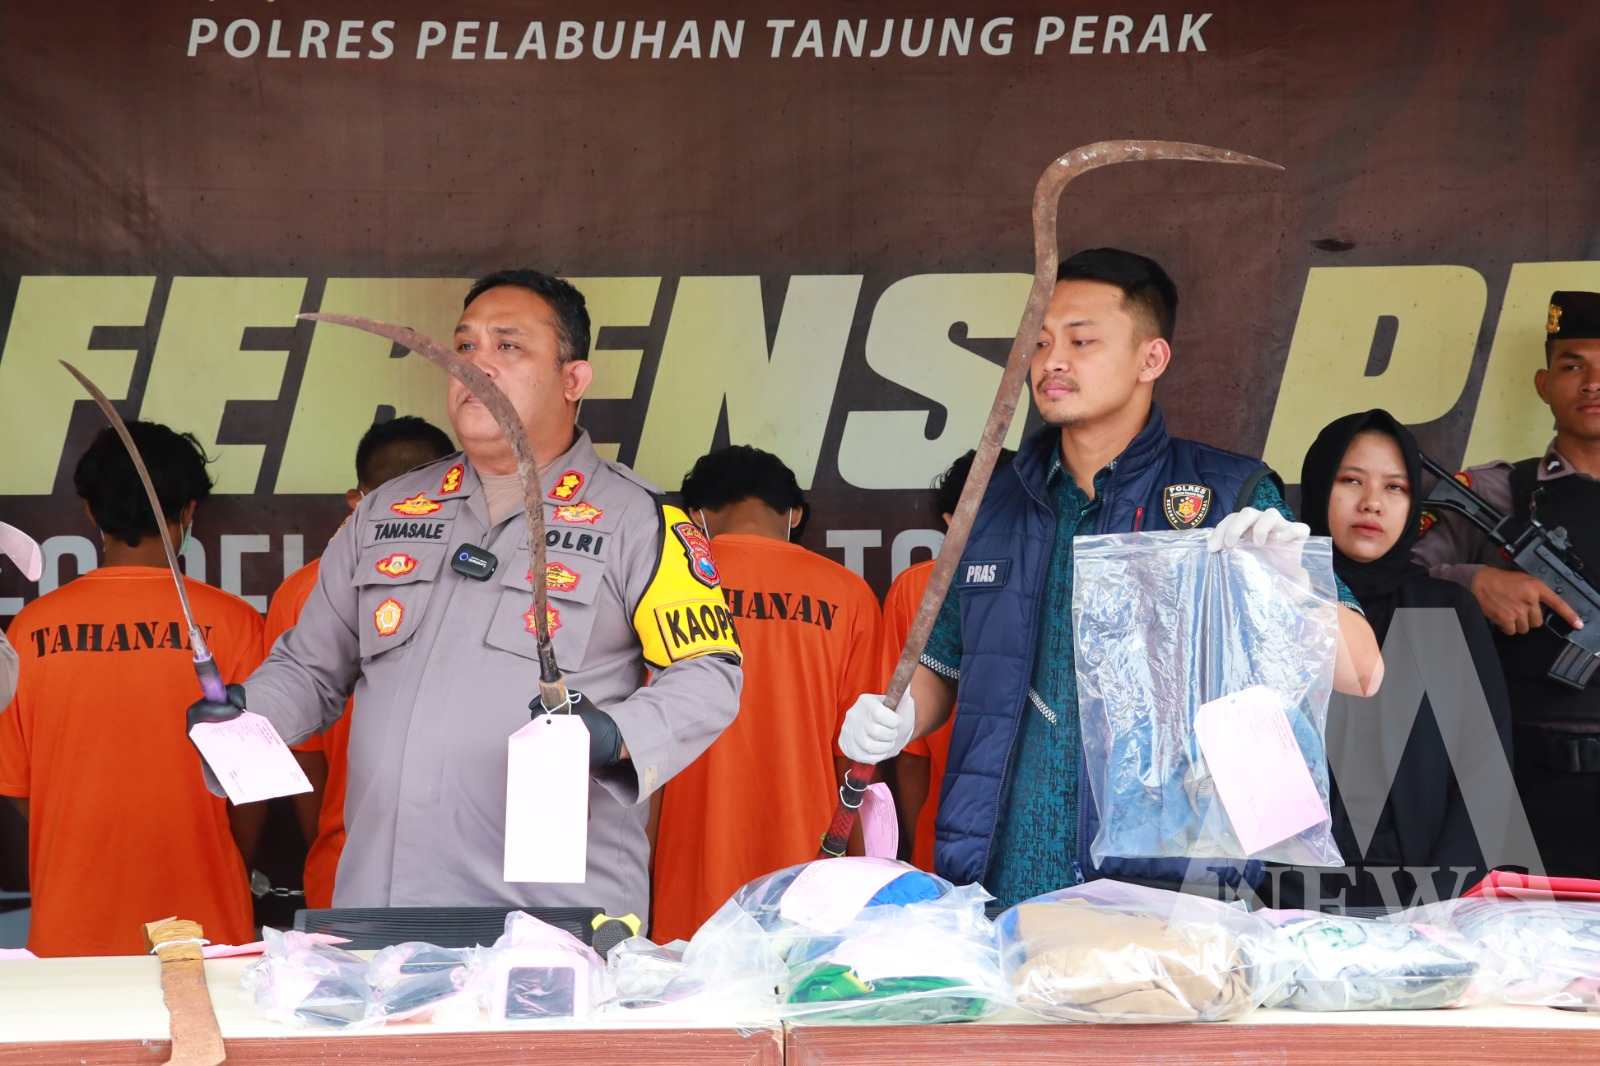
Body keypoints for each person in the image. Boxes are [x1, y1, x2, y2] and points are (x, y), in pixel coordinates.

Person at [190, 270, 743, 925]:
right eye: (465, 347)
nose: (476, 366)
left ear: (573, 379)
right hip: (386, 911)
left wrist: (618, 734)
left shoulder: (639, 520)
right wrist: (244, 717)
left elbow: (709, 675)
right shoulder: (386, 512)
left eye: (508, 346)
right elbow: (310, 669)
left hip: (549, 921)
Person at [837, 247, 1383, 910]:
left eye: (1081, 340)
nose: (1052, 361)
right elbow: (943, 664)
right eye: (1041, 342)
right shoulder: (994, 503)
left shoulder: (1226, 494)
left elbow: (1362, 672)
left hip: (1164, 895)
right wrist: (897, 718)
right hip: (994, 883)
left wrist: (1289, 582)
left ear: (1151, 358)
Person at [0, 423, 262, 955]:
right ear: (188, 511)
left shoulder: (30, 630)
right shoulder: (235, 624)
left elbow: (22, 788)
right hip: (206, 927)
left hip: (72, 931)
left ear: (90, 512)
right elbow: (251, 788)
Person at [1280, 409, 1512, 909]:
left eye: (1395, 487)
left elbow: (1485, 773)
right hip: (1286, 896)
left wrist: (1437, 907)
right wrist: (1284, 901)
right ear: (1318, 487)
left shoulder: (1446, 610)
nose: (1372, 503)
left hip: (1424, 899)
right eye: (1351, 481)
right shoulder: (1281, 603)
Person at [651, 445, 883, 942]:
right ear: (794, 513)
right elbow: (860, 754)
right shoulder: (848, 594)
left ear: (696, 516)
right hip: (809, 860)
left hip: (685, 858)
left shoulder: (663, 585)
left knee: (689, 982)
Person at [1414, 290, 1600, 877]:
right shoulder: (1496, 492)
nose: (1593, 384)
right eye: (1573, 366)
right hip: (1521, 789)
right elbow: (1389, 583)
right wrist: (1474, 582)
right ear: (1544, 384)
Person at [266, 415, 456, 909]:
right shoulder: (306, 593)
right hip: (357, 867)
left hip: (435, 869)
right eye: (398, 500)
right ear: (357, 502)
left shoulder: (488, 580)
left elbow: (304, 757)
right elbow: (299, 750)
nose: (414, 515)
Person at [884, 449, 1012, 871]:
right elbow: (910, 745)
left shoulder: (916, 586)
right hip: (948, 825)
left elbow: (911, 754)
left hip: (973, 826)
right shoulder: (918, 588)